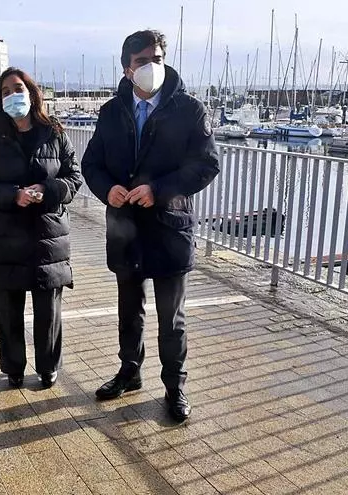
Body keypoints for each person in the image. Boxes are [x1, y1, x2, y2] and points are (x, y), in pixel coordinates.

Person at [81, 30, 220, 422]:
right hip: (125, 229)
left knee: (171, 318)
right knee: (129, 310)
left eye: (157, 58)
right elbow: (92, 164)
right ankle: (130, 371)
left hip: (168, 229)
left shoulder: (189, 110)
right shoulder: (111, 112)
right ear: (127, 68)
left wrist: (157, 190)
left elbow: (206, 163)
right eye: (142, 61)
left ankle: (175, 386)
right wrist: (107, 189)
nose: (151, 66)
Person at [0, 67, 83, 389]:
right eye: (5, 91)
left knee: (48, 308)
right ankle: (13, 367)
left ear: (32, 93)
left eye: (18, 88)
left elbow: (74, 177)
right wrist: (13, 196)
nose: (12, 95)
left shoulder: (54, 132)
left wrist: (48, 189)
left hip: (48, 236)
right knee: (8, 308)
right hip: (6, 235)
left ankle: (48, 366)